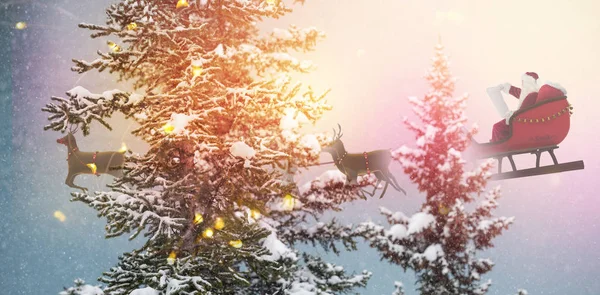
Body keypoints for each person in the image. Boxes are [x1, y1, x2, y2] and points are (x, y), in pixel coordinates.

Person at [486, 72, 540, 142]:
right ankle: (501, 143)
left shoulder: (531, 96)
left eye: (523, 82)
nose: (522, 84)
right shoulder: (530, 92)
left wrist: (510, 115)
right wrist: (506, 87)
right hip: (522, 121)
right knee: (499, 125)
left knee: (497, 127)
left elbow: (522, 113)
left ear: (528, 83)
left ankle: (499, 146)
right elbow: (518, 92)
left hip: (520, 123)